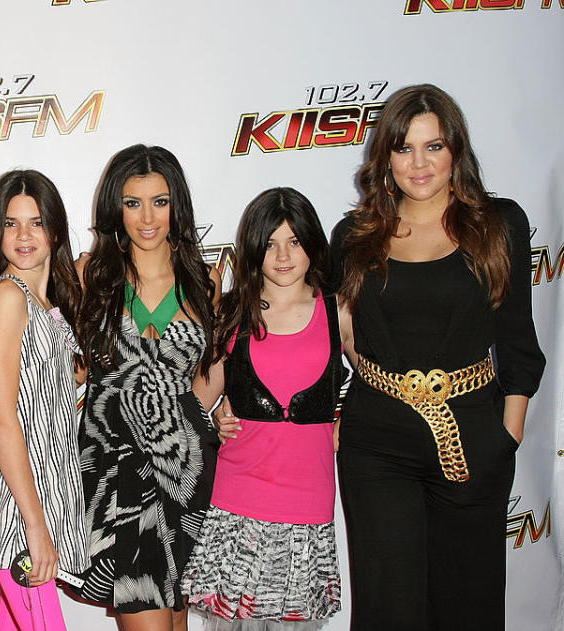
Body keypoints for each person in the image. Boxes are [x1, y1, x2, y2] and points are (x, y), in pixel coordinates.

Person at [330, 84, 545, 630]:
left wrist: (507, 436)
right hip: (377, 445)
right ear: (385, 157)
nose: (419, 163)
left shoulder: (500, 225)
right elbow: (332, 337)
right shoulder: (354, 236)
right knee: (388, 612)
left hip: (474, 440)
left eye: (434, 146)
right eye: (404, 148)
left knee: (467, 607)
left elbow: (519, 345)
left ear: (456, 150)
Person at [183, 188, 348, 631]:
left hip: (307, 507)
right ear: (254, 250)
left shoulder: (338, 312)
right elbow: (197, 399)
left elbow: (379, 377)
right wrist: (215, 420)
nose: (283, 255)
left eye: (294, 241)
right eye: (271, 243)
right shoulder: (235, 314)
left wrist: (345, 418)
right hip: (238, 500)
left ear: (312, 244)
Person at [75, 144, 221, 631]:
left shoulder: (205, 281)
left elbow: (206, 376)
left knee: (178, 623)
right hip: (120, 480)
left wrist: (215, 413)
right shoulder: (88, 276)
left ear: (176, 203)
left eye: (159, 201)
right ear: (115, 208)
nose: (146, 217)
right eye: (132, 203)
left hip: (187, 472)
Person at [0, 170, 89, 631]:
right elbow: (1, 419)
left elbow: (62, 384)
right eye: (10, 223)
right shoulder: (6, 296)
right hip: (18, 506)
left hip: (45, 497)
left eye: (35, 222)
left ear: (54, 230)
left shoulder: (46, 306)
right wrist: (35, 526)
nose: (23, 235)